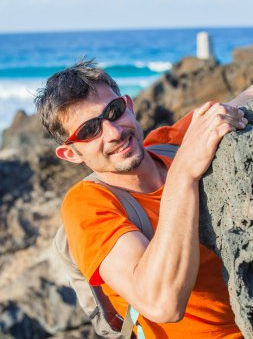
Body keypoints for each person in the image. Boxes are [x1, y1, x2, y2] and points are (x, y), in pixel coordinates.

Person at [35, 59, 252, 338]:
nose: (113, 133)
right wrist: (183, 173)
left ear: (129, 105)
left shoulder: (172, 143)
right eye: (89, 131)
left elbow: (242, 100)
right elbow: (162, 304)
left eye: (114, 112)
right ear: (71, 154)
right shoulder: (88, 204)